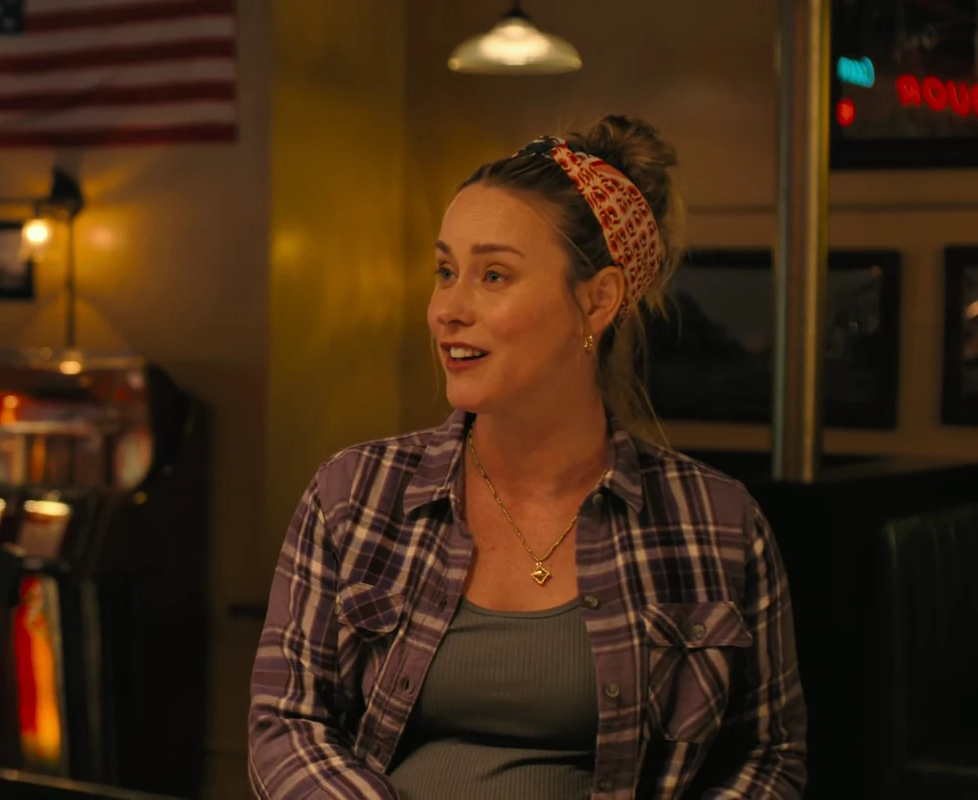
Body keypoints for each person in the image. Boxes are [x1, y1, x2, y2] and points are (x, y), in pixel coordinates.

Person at [247, 117, 807, 798]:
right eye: (445, 271)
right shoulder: (353, 492)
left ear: (597, 301)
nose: (447, 309)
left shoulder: (717, 521)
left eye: (494, 275)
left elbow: (767, 757)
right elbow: (286, 724)